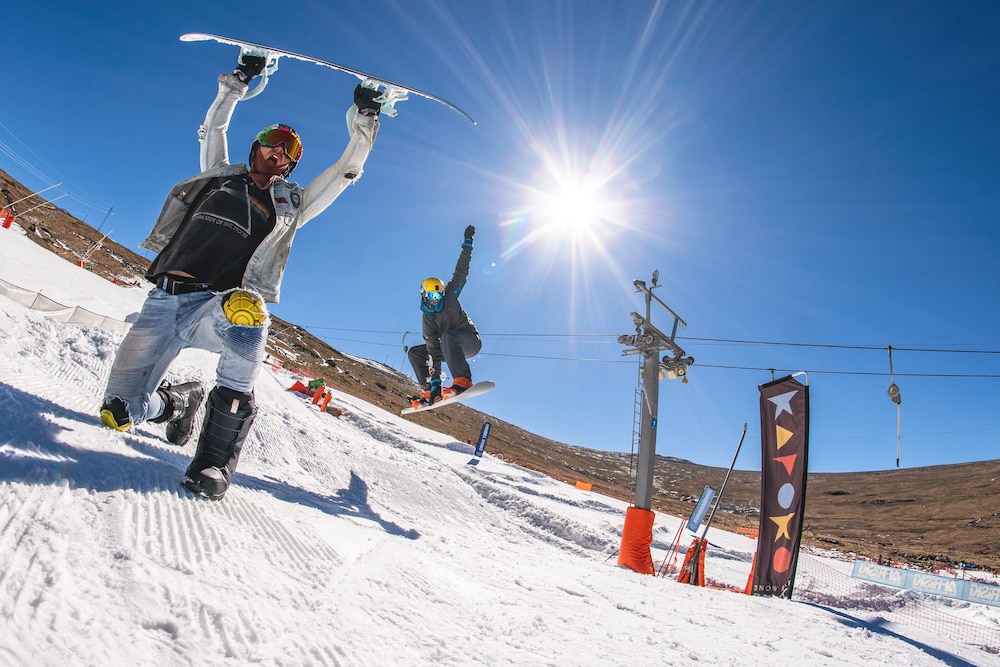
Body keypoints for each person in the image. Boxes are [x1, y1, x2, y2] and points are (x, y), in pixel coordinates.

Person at [99, 53, 382, 500]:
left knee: (248, 314)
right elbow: (214, 127)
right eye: (272, 140)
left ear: (290, 165)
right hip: (162, 301)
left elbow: (344, 173)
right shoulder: (218, 176)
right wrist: (239, 80)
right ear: (256, 144)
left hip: (214, 305)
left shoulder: (290, 205)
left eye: (289, 150)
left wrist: (365, 118)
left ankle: (213, 462)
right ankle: (179, 402)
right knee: (118, 412)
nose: (278, 150)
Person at [407, 225, 482, 408]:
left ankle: (463, 381)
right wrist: (435, 384)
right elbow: (433, 351)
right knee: (415, 353)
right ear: (424, 295)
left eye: (439, 295)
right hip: (447, 350)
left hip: (469, 342)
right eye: (432, 296)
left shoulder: (450, 295)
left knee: (448, 335)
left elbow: (461, 272)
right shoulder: (427, 320)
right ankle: (428, 391)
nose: (436, 300)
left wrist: (467, 244)